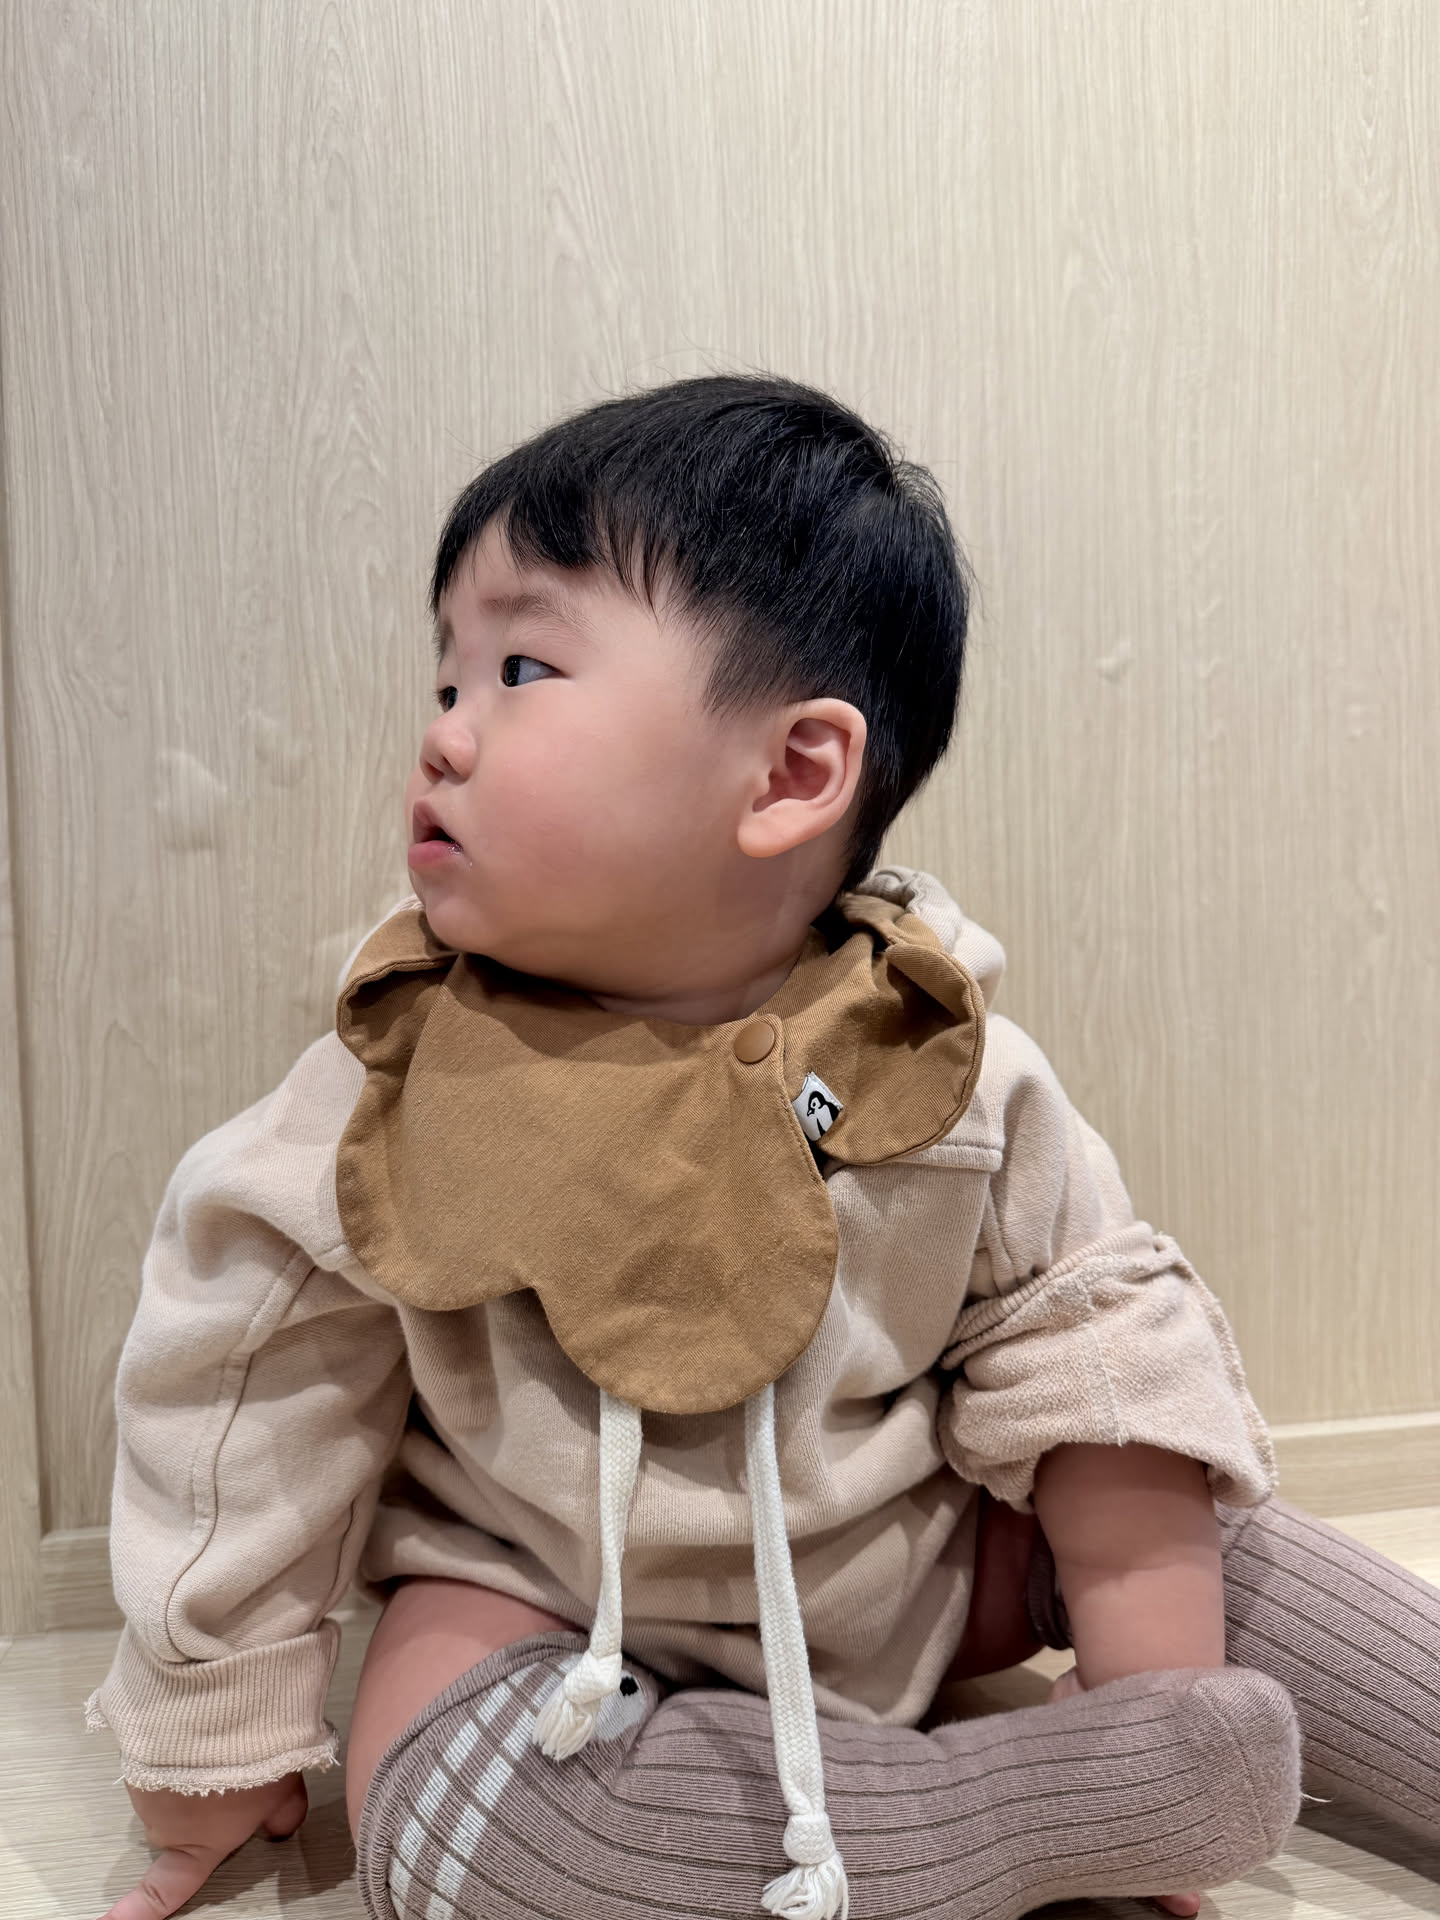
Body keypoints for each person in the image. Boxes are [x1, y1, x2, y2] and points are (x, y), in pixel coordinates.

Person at [89, 377, 1438, 1920]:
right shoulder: (393, 1078)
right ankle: (1014, 1812)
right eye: (446, 677)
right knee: (440, 1817)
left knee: (1191, 1515)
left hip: (909, 1569)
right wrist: (209, 1738)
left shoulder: (934, 1062)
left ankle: (1168, 1759)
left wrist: (1155, 1691)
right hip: (543, 1607)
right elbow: (243, 1396)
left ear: (792, 776)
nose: (443, 737)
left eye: (520, 668)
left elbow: (1095, 1344)